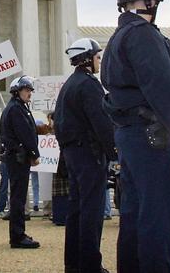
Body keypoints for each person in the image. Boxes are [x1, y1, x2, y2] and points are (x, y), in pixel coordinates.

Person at [101, 0, 170, 273]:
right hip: (152, 137)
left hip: (131, 137)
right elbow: (166, 93)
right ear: (148, 0)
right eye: (156, 0)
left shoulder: (117, 39)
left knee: (134, 218)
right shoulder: (143, 36)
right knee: (159, 220)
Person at [53, 37, 115, 273]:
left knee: (77, 211)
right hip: (89, 154)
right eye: (97, 56)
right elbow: (102, 122)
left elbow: (59, 124)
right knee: (92, 211)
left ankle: (74, 264)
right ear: (88, 59)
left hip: (73, 154)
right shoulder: (89, 85)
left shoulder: (70, 84)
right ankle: (90, 265)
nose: (100, 61)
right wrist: (115, 152)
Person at [0, 75, 41, 249]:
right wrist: (34, 153)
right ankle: (17, 236)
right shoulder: (16, 109)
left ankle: (18, 233)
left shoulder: (18, 107)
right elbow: (25, 134)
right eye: (26, 90)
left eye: (30, 90)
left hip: (18, 157)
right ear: (17, 92)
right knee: (18, 198)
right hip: (18, 158)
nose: (29, 93)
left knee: (18, 197)